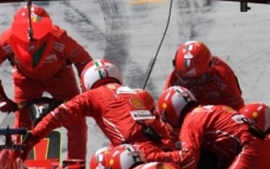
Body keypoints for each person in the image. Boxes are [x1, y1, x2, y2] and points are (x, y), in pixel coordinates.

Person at [0, 4, 92, 161]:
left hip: (60, 77)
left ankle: (75, 168)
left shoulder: (60, 38)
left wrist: (87, 94)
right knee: (21, 124)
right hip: (25, 79)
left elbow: (85, 62)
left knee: (76, 119)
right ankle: (19, 164)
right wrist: (0, 97)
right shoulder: (7, 40)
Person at [21, 59, 176, 161]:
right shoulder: (141, 94)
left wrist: (30, 141)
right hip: (169, 150)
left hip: (137, 157)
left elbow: (56, 116)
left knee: (100, 160)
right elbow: (162, 126)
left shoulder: (91, 96)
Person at [163, 41, 244, 110]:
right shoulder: (173, 83)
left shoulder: (223, 75)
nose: (194, 87)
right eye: (187, 80)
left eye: (199, 80)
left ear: (210, 67)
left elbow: (237, 107)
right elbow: (169, 116)